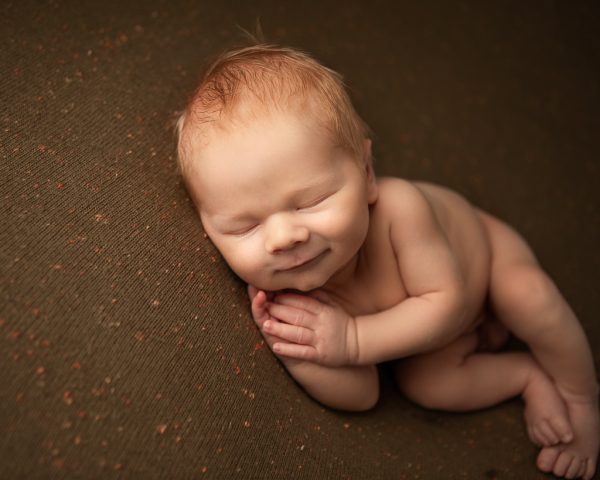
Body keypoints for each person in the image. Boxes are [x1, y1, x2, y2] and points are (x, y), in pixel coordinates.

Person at [175, 43, 599, 479]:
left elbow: (445, 304)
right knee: (428, 386)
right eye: (244, 227)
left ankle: (581, 396)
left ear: (366, 173)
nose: (283, 238)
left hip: (485, 267)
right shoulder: (285, 292)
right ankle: (526, 376)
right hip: (431, 340)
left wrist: (352, 340)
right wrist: (306, 353)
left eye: (313, 201)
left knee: (527, 296)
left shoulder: (401, 209)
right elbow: (362, 395)